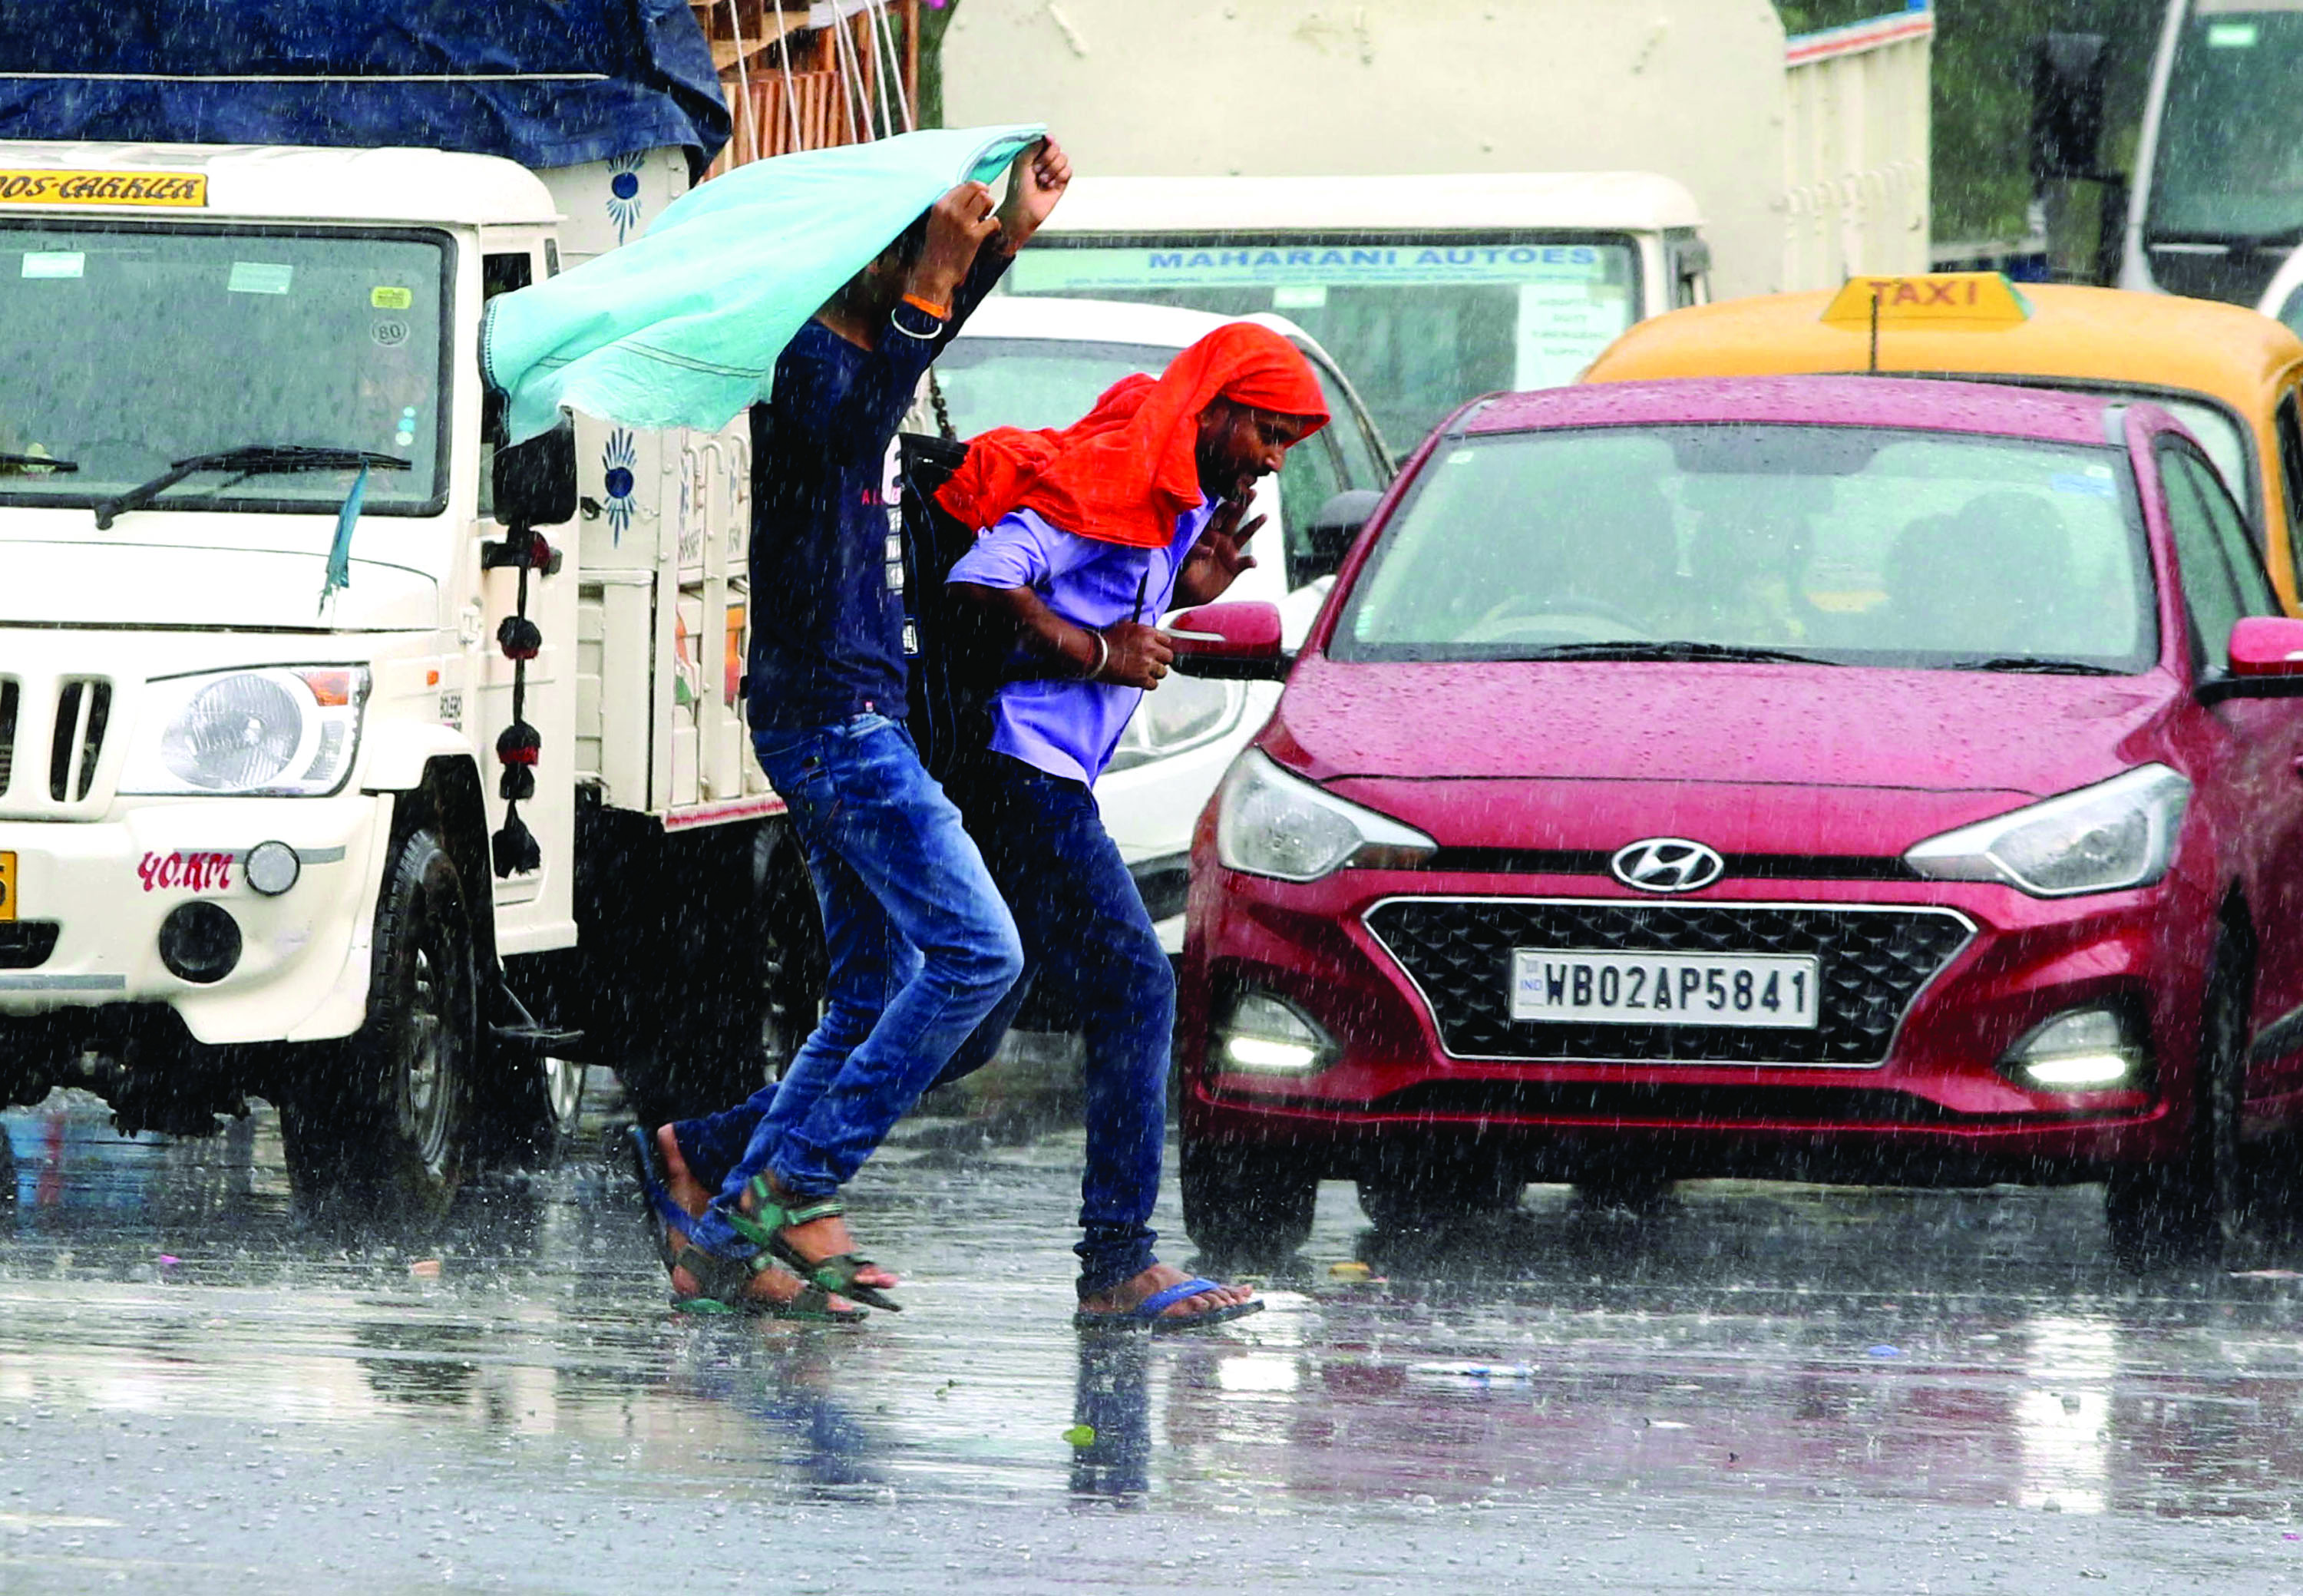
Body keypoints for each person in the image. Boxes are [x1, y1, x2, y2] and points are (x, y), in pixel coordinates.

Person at [629, 137, 1072, 1320]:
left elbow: (909, 341)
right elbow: (866, 407)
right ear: (861, 259)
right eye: (911, 250)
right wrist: (938, 270)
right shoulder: (806, 362)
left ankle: (720, 1211)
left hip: (855, 709)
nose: (927, 265)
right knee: (981, 956)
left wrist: (1006, 233)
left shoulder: (862, 339)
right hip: (832, 715)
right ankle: (791, 1185)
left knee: (871, 990)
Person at [934, 321, 1329, 1329]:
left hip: (1047, 776)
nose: (1273, 463)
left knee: (972, 1013)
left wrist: (1187, 589)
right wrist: (1096, 651)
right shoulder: (1111, 474)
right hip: (1023, 772)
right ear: (1223, 407)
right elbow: (983, 579)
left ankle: (731, 1154)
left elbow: (1121, 589)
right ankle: (1118, 1259)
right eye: (1269, 436)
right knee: (1135, 985)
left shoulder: (1166, 498)